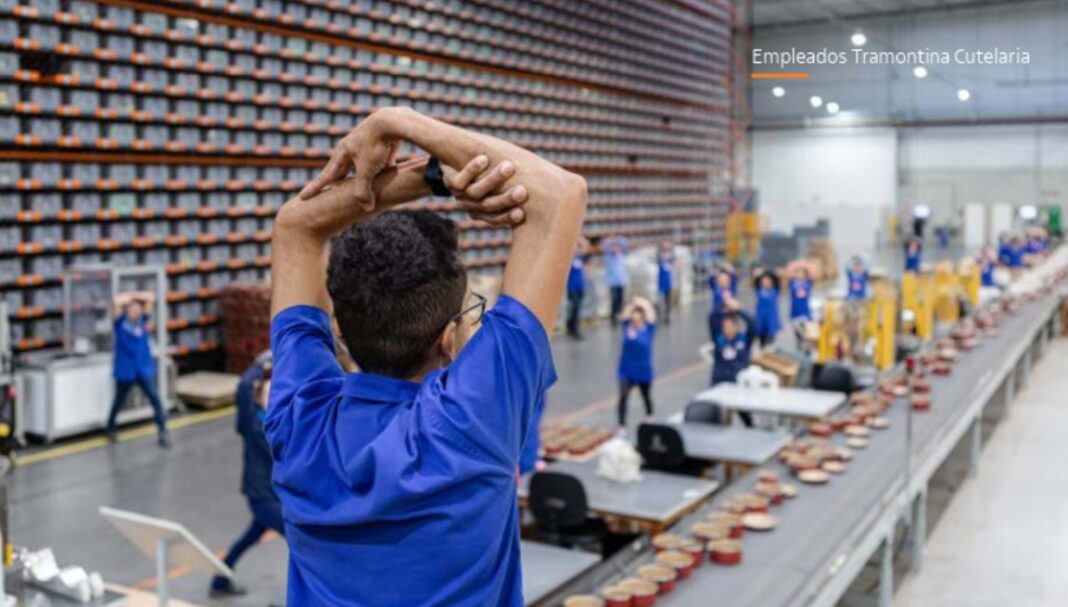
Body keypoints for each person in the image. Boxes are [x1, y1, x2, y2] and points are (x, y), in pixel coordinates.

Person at [268, 106, 586, 606]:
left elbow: (295, 226)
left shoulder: (298, 422)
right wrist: (401, 128)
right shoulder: (472, 423)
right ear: (448, 340)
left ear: (339, 333)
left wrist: (430, 175)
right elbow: (560, 192)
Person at [211, 352, 282, 597]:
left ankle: (219, 580)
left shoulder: (280, 423)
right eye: (267, 394)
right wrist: (259, 365)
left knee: (249, 538)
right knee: (301, 541)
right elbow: (243, 388)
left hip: (275, 495)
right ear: (258, 397)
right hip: (263, 497)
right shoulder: (252, 423)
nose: (272, 398)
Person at [106, 293, 169, 447]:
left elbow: (151, 298)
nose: (136, 311)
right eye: (133, 309)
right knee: (118, 401)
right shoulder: (120, 322)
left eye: (138, 309)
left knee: (155, 398)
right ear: (127, 310)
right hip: (126, 370)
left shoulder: (143, 321)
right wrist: (131, 298)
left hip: (143, 369)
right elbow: (116, 301)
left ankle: (162, 431)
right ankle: (111, 427)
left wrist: (137, 298)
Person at [709, 303, 756, 427]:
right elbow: (712, 318)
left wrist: (739, 309)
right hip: (720, 382)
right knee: (716, 414)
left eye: (730, 326)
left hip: (738, 383)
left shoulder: (744, 340)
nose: (727, 329)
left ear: (736, 327)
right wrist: (722, 306)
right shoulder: (719, 339)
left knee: (745, 414)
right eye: (725, 326)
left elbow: (753, 324)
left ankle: (750, 428)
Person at [616, 296, 657, 432]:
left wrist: (642, 302)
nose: (636, 321)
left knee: (645, 395)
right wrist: (632, 304)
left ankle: (649, 416)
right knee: (623, 396)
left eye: (638, 319)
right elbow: (624, 315)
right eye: (634, 318)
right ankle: (622, 425)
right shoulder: (627, 327)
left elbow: (651, 314)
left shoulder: (648, 329)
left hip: (643, 370)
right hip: (627, 370)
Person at [566, 236, 590, 340]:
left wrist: (579, 239)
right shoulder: (570, 260)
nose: (578, 249)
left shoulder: (580, 259)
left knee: (577, 308)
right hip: (572, 287)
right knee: (574, 308)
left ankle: (571, 327)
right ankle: (574, 329)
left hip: (580, 286)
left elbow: (586, 246)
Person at [603, 235, 628, 327]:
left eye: (617, 247)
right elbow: (604, 243)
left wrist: (617, 239)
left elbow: (625, 241)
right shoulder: (608, 256)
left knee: (620, 300)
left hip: (621, 281)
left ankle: (619, 315)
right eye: (613, 247)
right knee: (614, 299)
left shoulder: (621, 255)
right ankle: (613, 317)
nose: (615, 249)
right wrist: (612, 240)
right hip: (612, 281)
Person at [752, 270, 781, 347]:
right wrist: (759, 274)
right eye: (764, 281)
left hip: (771, 319)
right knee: (761, 340)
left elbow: (777, 280)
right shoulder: (759, 290)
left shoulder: (775, 291)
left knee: (770, 340)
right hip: (761, 318)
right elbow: (756, 281)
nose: (766, 283)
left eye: (768, 281)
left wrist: (772, 273)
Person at [657, 241, 676, 325]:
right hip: (661, 282)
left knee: (668, 300)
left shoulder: (671, 258)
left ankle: (667, 316)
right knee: (661, 300)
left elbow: (673, 268)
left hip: (668, 282)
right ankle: (660, 315)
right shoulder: (660, 258)